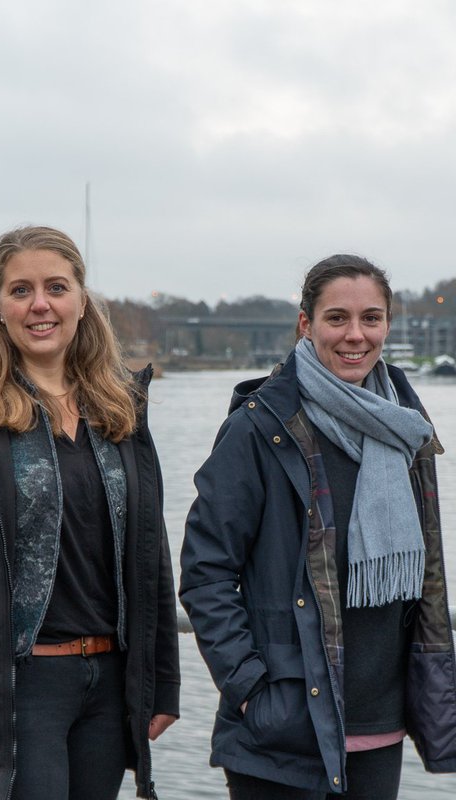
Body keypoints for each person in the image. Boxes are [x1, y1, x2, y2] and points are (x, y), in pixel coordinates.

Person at [0, 225, 180, 800]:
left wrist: (161, 682)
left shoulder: (119, 406)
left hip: (106, 685)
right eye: (20, 290)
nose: (39, 304)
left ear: (80, 299)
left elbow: (150, 548)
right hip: (13, 687)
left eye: (56, 286)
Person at [179, 254, 456, 799]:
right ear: (306, 323)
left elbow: (427, 576)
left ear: (387, 326)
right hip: (285, 726)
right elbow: (206, 572)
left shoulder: (406, 427)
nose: (356, 335)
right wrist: (251, 691)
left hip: (381, 724)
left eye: (371, 319)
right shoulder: (260, 428)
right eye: (337, 318)